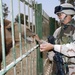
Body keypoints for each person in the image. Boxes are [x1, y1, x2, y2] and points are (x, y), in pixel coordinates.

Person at [34, 3, 75, 75]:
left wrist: (53, 46)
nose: (58, 17)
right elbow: (53, 45)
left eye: (60, 14)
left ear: (68, 13)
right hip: (59, 67)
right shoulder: (58, 31)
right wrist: (40, 41)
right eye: (58, 15)